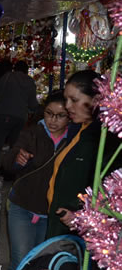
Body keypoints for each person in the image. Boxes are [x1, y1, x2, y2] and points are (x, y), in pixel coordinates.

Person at [0, 91, 70, 270]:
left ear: (69, 115)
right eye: (49, 113)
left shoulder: (73, 139)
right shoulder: (31, 133)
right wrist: (17, 158)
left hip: (52, 214)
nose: (53, 120)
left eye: (60, 115)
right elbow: (6, 163)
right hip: (23, 207)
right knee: (20, 261)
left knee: (43, 266)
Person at [46, 70, 122, 239]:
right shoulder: (79, 130)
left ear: (95, 101)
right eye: (66, 99)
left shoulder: (104, 140)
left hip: (78, 231)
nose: (67, 106)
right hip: (61, 224)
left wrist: (77, 209)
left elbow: (107, 187)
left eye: (74, 100)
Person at [0, 61, 40, 171]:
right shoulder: (30, 82)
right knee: (16, 146)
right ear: (26, 71)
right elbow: (33, 104)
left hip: (4, 115)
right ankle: (10, 172)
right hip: (21, 117)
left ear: (14, 68)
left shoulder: (7, 77)